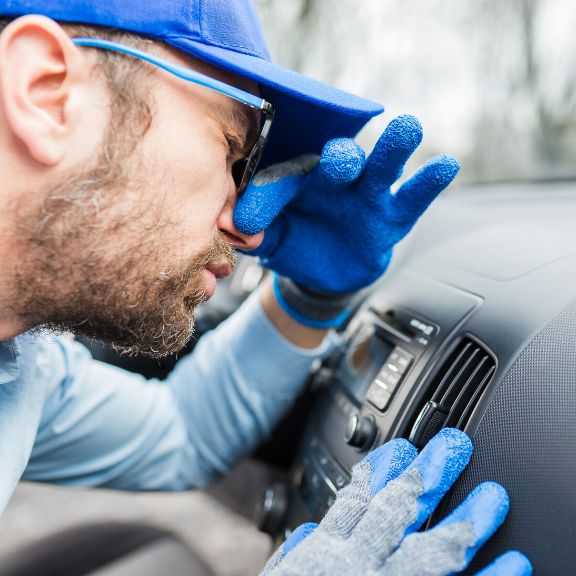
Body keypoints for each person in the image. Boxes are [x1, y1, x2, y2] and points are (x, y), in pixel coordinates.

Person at [0, 0, 531, 574]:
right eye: (232, 151)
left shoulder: (24, 368)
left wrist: (310, 299)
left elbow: (181, 432)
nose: (242, 220)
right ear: (46, 91)